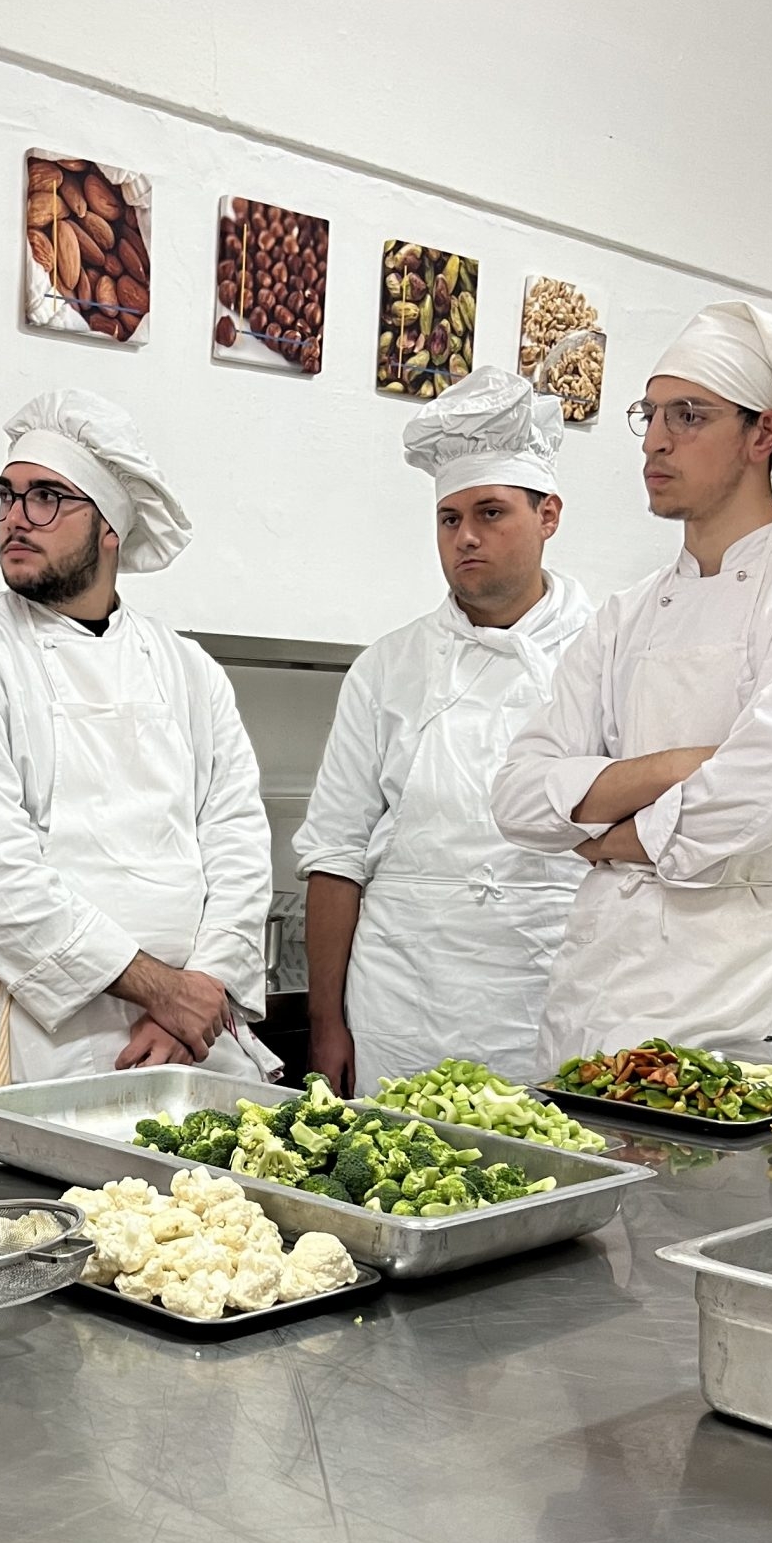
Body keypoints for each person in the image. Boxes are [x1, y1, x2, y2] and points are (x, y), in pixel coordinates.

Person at [493, 301, 772, 1073]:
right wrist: (680, 767)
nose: (656, 440)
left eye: (690, 415)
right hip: (593, 991)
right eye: (649, 414)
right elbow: (515, 795)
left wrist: (616, 837)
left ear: (762, 434)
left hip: (735, 1000)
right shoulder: (626, 613)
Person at [0, 389, 274, 1119]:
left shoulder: (188, 669)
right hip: (40, 1040)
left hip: (189, 1040)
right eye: (6, 496)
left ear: (109, 529)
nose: (13, 518)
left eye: (45, 498)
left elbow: (238, 843)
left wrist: (203, 989)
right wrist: (164, 990)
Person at [294, 367, 594, 1094]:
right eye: (449, 518)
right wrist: (326, 1023)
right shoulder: (388, 668)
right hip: (402, 1011)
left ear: (548, 514)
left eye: (491, 513)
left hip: (548, 1007)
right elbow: (336, 854)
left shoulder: (608, 653)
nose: (466, 537)